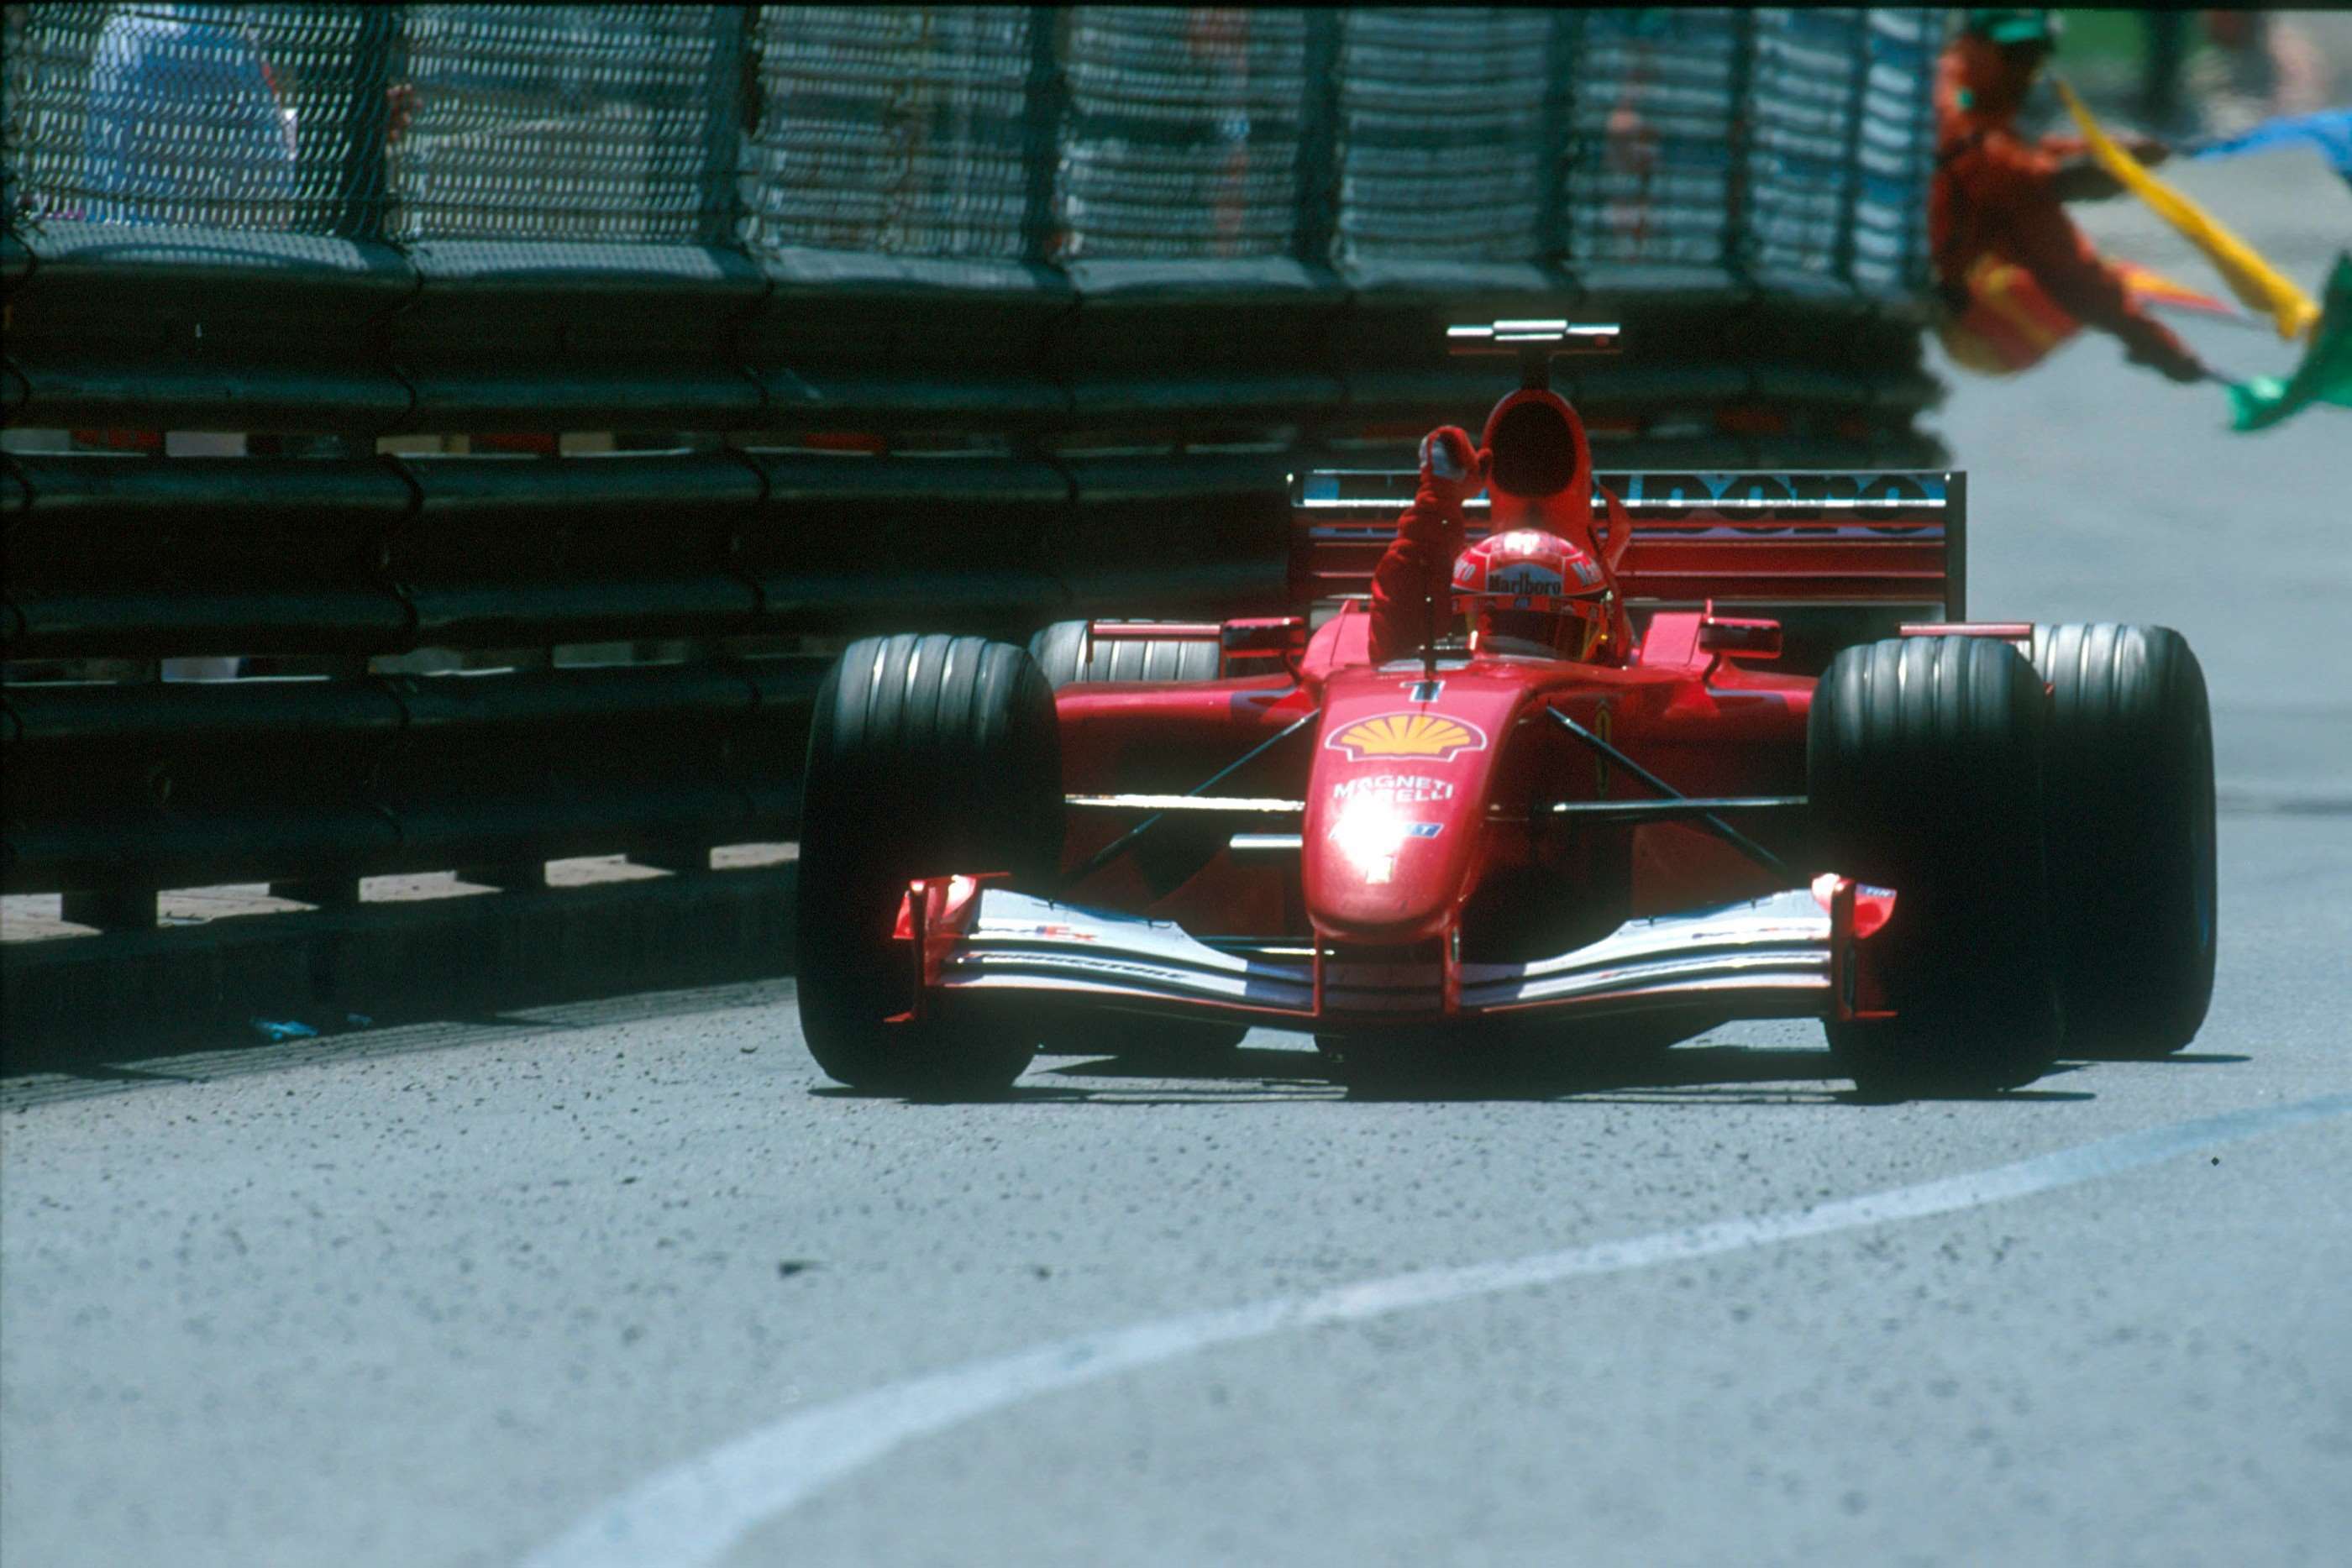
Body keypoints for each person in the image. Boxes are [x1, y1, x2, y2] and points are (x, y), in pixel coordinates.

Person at [1932, 8, 2207, 384]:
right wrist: (2156, 344)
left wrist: (2098, 155)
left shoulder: (1949, 88)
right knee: (2085, 283)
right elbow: (2072, 273)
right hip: (1948, 303)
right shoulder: (1995, 158)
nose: (2026, 67)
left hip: (1922, 262)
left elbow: (1998, 151)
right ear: (1975, 44)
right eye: (2015, 52)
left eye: (2036, 52)